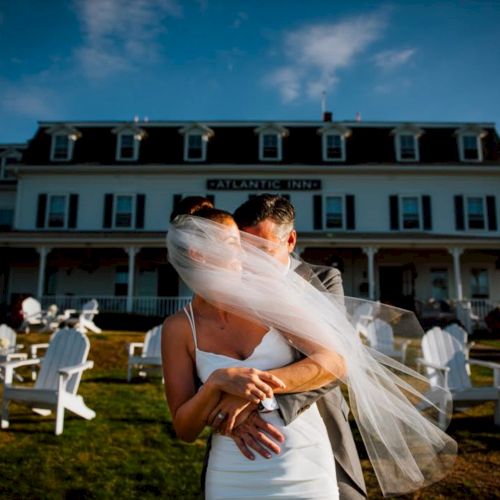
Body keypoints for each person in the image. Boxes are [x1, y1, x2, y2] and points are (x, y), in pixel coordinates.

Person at [162, 208, 343, 499]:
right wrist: (216, 383)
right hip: (233, 474)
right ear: (199, 254)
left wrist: (252, 389)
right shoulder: (179, 328)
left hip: (304, 464)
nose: (247, 252)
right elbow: (184, 429)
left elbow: (333, 361)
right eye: (235, 244)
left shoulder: (270, 301)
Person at [223, 194, 367, 499]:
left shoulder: (324, 280)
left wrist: (260, 402)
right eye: (243, 249)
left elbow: (338, 360)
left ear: (290, 240)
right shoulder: (226, 286)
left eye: (262, 250)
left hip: (315, 418)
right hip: (240, 433)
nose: (249, 262)